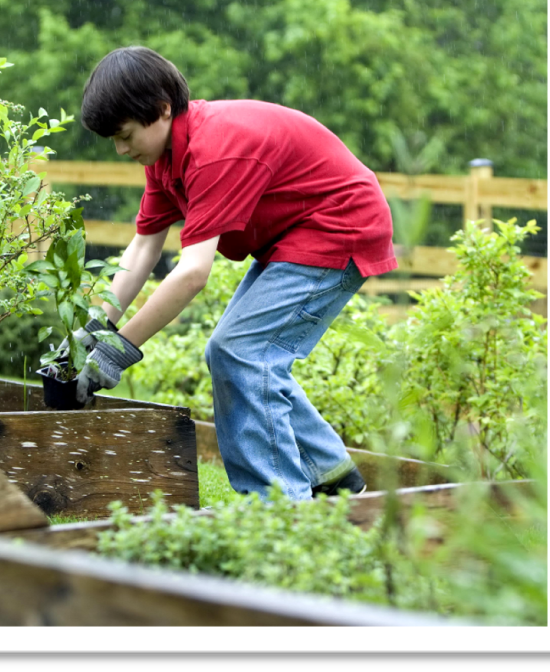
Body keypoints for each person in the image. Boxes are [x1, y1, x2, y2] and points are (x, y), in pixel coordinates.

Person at [72, 46, 398, 501]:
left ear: (162, 110)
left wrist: (118, 351)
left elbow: (192, 274)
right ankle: (331, 474)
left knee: (241, 352)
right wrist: (96, 326)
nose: (121, 149)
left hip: (340, 225)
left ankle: (279, 510)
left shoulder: (214, 151)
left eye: (125, 135)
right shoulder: (165, 157)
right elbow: (145, 244)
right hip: (294, 235)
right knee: (236, 352)